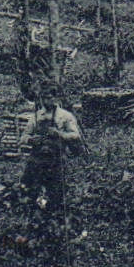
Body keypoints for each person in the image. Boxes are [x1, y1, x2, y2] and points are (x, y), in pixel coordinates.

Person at [19, 89, 82, 223]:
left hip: (56, 158)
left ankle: (55, 217)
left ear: (55, 98)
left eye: (49, 97)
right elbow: (23, 137)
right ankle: (32, 215)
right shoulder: (36, 116)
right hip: (37, 158)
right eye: (44, 98)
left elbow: (75, 135)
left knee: (56, 190)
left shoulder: (65, 116)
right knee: (29, 186)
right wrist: (31, 139)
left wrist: (60, 134)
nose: (46, 101)